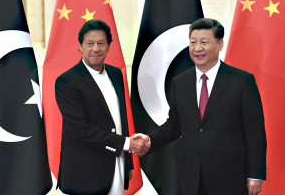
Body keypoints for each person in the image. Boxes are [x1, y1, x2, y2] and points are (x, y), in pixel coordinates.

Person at [133, 18, 267, 195]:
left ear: (219, 44)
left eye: (204, 42)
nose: (197, 48)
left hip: (230, 176)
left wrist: (255, 175)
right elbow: (174, 125)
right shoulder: (180, 82)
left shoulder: (241, 81)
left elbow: (255, 132)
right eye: (193, 42)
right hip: (192, 177)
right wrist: (149, 140)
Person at [55, 19, 146, 195]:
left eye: (101, 43)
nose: (95, 48)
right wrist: (127, 144)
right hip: (84, 173)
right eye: (89, 43)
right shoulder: (67, 81)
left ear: (108, 46)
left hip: (117, 164)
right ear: (80, 46)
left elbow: (119, 119)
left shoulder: (116, 73)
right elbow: (81, 129)